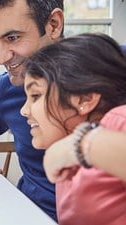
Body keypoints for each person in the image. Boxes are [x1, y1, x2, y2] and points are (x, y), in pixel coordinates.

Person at [0, 0, 64, 220]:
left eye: (12, 38)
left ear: (54, 25)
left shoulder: (110, 67)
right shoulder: (8, 87)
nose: (0, 58)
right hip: (28, 215)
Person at [20, 33, 126, 225]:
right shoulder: (65, 157)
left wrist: (78, 144)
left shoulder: (118, 120)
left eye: (35, 95)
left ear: (85, 99)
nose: (24, 110)